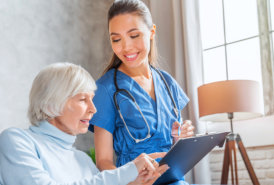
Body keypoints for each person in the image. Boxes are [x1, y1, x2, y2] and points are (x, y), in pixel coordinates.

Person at [0, 63, 169, 185]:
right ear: (51, 103)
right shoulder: (16, 140)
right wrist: (127, 171)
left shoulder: (83, 160)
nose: (93, 109)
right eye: (82, 99)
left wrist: (136, 183)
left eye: (92, 100)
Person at [89, 0, 195, 184]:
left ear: (152, 32)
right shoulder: (106, 89)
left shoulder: (167, 82)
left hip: (174, 180)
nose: (126, 47)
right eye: (116, 39)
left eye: (134, 35)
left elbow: (172, 144)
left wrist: (181, 137)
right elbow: (103, 162)